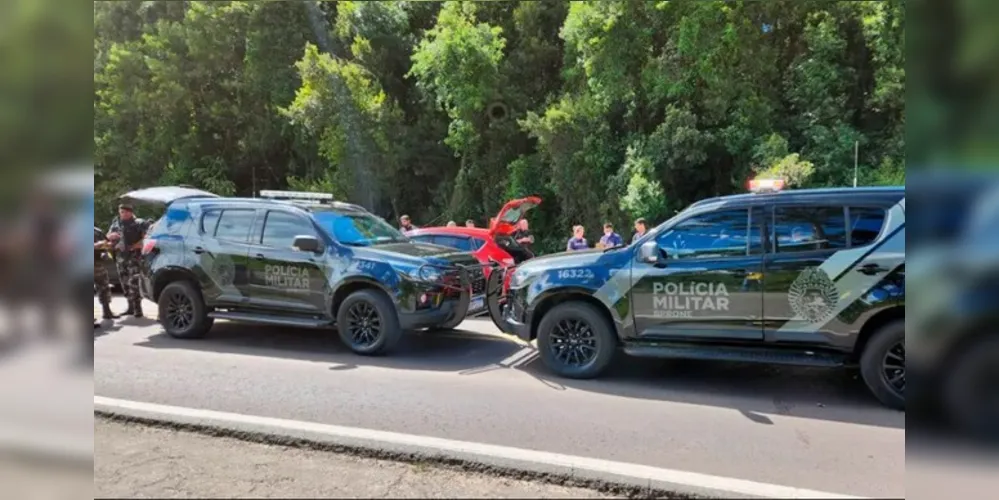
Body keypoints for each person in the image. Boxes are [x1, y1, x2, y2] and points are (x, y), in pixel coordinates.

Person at [107, 204, 146, 318]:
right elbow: (107, 237)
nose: (124, 214)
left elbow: (147, 237)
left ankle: (138, 309)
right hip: (120, 257)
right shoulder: (116, 224)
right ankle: (130, 307)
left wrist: (135, 246)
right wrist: (111, 236)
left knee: (134, 283)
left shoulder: (139, 223)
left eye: (126, 211)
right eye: (122, 211)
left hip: (134, 258)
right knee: (124, 283)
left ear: (131, 212)